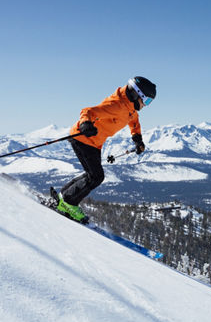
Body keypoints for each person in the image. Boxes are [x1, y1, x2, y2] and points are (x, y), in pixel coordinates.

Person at [54, 76, 157, 221]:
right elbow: (88, 111)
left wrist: (137, 139)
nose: (146, 105)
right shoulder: (116, 104)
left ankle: (64, 196)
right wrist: (85, 124)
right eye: (146, 101)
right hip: (82, 138)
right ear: (136, 94)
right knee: (96, 176)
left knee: (92, 174)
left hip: (95, 142)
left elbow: (134, 121)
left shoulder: (130, 109)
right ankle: (68, 202)